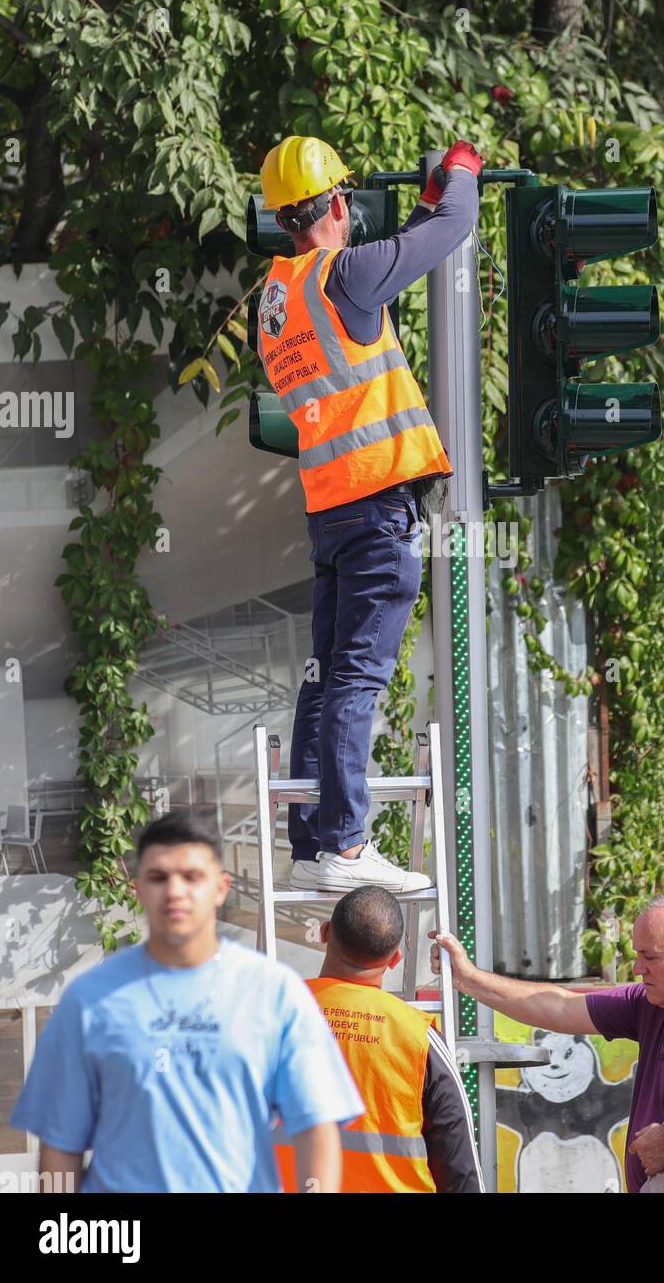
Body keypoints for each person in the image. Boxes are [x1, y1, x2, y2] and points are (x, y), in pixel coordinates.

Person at [256, 134, 482, 897]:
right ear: (339, 206)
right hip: (378, 505)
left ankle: (314, 843)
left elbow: (403, 252)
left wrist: (422, 208)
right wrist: (460, 172)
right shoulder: (345, 274)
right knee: (354, 676)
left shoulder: (276, 301)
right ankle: (348, 844)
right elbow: (450, 230)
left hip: (330, 510)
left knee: (322, 677)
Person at [10, 815, 364, 1193]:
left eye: (192, 877)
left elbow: (316, 1127)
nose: (175, 891)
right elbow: (61, 1143)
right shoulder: (89, 1000)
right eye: (159, 877)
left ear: (221, 888)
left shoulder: (274, 994)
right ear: (138, 890)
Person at [431, 892, 664, 1194]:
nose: (638, 969)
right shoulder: (652, 1005)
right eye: (638, 955)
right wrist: (468, 979)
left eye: (649, 957)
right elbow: (559, 1007)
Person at [276, 885, 482, 1194]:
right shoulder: (417, 1037)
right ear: (396, 958)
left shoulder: (268, 1014)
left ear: (324, 932)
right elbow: (459, 1167)